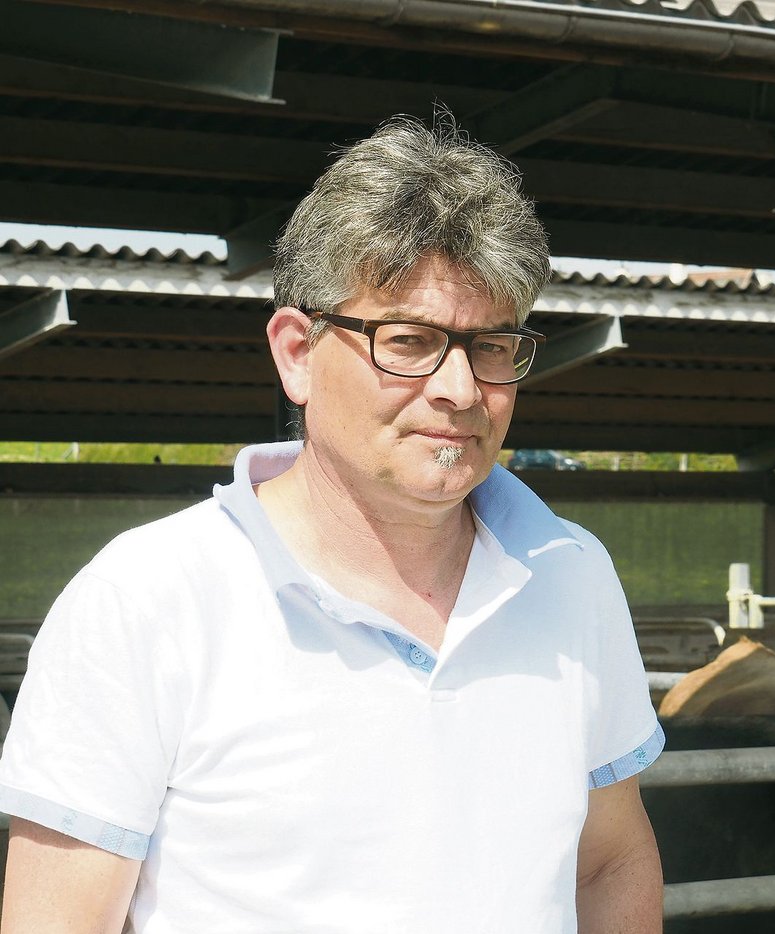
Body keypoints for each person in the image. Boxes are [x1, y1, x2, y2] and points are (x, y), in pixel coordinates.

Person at [0, 116, 665, 933]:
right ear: (296, 353)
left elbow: (609, 861)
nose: (459, 387)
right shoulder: (146, 601)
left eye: (490, 346)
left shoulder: (570, 572)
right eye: (409, 341)